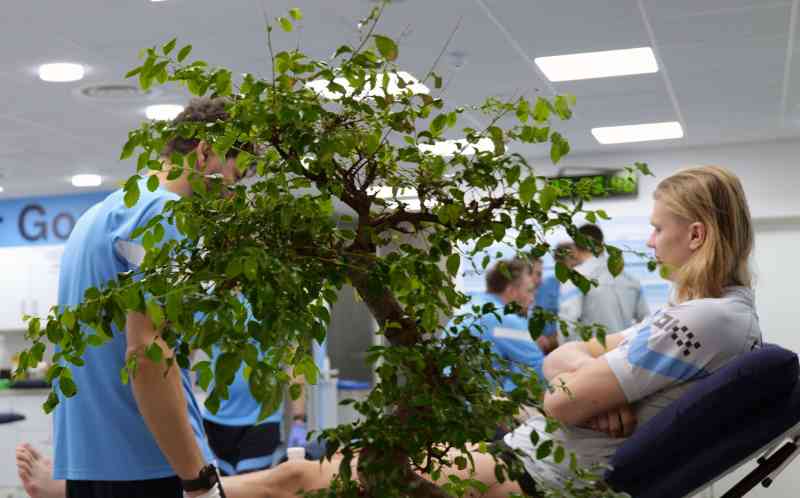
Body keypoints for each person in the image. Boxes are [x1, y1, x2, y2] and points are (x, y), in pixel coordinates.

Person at [17, 165, 763, 498]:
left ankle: (172, 493)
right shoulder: (709, 319)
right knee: (298, 474)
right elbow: (572, 363)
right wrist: (577, 375)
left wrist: (574, 383)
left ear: (695, 234)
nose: (652, 241)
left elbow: (566, 390)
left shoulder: (698, 319)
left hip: (542, 474)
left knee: (300, 477)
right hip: (531, 454)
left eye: (660, 229)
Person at [46, 97, 252, 498]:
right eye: (234, 177)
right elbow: (146, 351)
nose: (232, 194)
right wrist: (197, 480)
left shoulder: (103, 214)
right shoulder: (166, 217)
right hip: (149, 462)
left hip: (91, 464)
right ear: (205, 151)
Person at [202, 345, 307, 476]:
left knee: (251, 485)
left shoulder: (278, 323)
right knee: (225, 490)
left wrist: (299, 419)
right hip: (217, 421)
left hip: (262, 419)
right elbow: (182, 357)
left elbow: (295, 361)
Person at [453, 257, 549, 390]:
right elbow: (539, 370)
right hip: (477, 403)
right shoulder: (503, 319)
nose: (532, 298)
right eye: (529, 290)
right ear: (511, 291)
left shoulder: (474, 307)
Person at [559, 224, 650, 343]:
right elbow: (646, 323)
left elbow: (567, 326)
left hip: (589, 355)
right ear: (602, 246)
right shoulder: (630, 280)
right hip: (622, 354)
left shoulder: (574, 279)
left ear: (575, 248)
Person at [533, 242, 576, 353]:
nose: (575, 261)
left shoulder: (580, 284)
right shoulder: (545, 286)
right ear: (558, 261)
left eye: (575, 257)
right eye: (571, 258)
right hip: (551, 346)